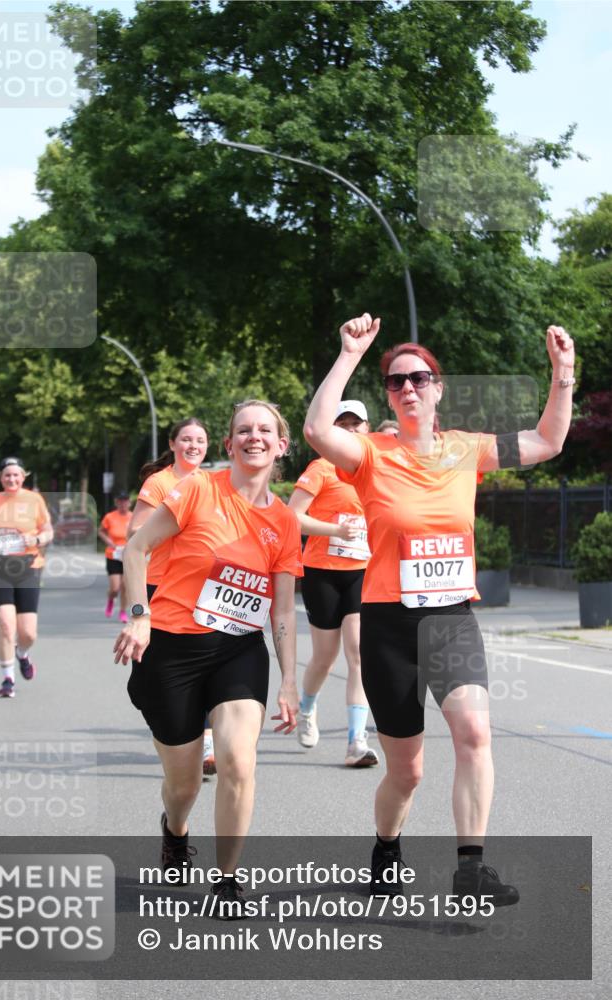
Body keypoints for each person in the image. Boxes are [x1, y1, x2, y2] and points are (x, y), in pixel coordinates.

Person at [304, 314, 575, 904]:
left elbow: (547, 442)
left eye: (419, 379)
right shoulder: (370, 454)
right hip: (388, 625)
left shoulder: (466, 450)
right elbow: (318, 429)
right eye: (397, 382)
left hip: (451, 617)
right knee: (407, 770)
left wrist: (563, 373)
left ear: (438, 387)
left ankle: (470, 869)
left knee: (475, 732)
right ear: (390, 394)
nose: (408, 389)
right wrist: (350, 353)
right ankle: (386, 845)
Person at [114, 400, 303, 912]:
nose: (254, 437)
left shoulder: (284, 521)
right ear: (229, 444)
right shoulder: (198, 489)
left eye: (265, 430)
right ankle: (175, 830)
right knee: (185, 782)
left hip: (238, 652)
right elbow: (135, 549)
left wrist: (288, 679)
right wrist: (139, 614)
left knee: (240, 759)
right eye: (244, 430)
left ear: (281, 445)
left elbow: (281, 610)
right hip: (171, 650)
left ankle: (227, 881)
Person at [289, 400, 378, 768]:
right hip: (322, 571)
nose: (351, 430)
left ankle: (357, 739)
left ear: (367, 429)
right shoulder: (322, 468)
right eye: (343, 424)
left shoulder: (377, 469)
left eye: (357, 425)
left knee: (358, 652)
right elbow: (292, 517)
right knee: (324, 657)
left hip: (364, 570)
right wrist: (334, 530)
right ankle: (307, 708)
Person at [129, 418, 218, 776]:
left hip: (201, 586)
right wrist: (175, 524)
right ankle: (166, 721)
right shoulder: (160, 481)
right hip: (159, 585)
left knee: (208, 663)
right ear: (173, 443)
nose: (193, 445)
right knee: (147, 678)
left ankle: (206, 740)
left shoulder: (212, 483)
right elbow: (135, 531)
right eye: (186, 439)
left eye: (200, 440)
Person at [0, 458, 53, 697]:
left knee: (28, 633)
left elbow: (48, 531)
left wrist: (36, 540)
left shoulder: (34, 500)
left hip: (28, 567)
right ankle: (8, 678)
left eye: (16, 475)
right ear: (0, 478)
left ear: (23, 476)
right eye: (7, 475)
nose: (12, 479)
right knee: (6, 626)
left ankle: (23, 654)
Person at [99, 492, 133, 623]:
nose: (123, 504)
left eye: (125, 501)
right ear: (116, 502)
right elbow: (101, 531)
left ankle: (123, 611)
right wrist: (110, 543)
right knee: (115, 587)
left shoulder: (134, 517)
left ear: (129, 503)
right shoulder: (110, 517)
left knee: (125, 585)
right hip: (113, 554)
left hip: (128, 555)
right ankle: (111, 599)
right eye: (120, 501)